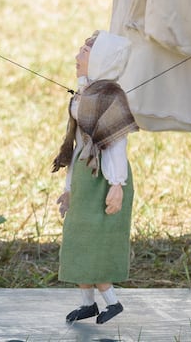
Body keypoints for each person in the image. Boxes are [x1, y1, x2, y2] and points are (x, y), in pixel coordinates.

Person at [53, 30, 138, 325]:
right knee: (78, 240)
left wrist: (117, 184)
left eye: (84, 54)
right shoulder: (84, 96)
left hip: (104, 179)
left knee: (98, 243)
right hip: (86, 175)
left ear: (100, 60)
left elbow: (116, 146)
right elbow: (78, 147)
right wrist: (68, 188)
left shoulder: (110, 99)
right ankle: (88, 304)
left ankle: (112, 302)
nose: (77, 58)